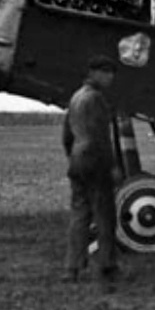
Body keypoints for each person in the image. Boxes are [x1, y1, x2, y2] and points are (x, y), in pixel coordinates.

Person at [63, 55, 121, 282]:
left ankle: (72, 268)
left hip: (77, 161)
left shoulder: (76, 97)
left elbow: (66, 134)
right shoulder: (96, 99)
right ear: (94, 73)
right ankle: (107, 265)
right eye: (107, 73)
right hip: (95, 161)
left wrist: (72, 157)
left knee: (79, 214)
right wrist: (113, 166)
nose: (110, 78)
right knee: (105, 215)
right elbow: (100, 137)